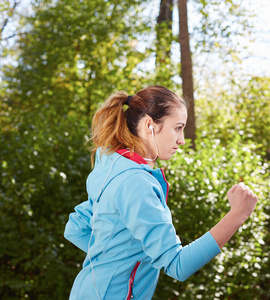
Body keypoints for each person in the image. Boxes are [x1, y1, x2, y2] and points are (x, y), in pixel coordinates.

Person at [64, 85, 258, 300]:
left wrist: (122, 257)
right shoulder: (136, 182)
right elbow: (178, 265)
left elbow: (75, 229)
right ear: (150, 125)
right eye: (177, 128)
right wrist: (237, 215)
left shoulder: (110, 163)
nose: (181, 140)